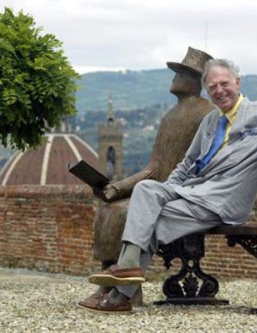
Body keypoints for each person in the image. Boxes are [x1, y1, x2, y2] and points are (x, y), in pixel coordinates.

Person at [81, 58, 257, 313]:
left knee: (146, 218)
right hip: (194, 194)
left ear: (237, 83)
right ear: (207, 90)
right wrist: (169, 191)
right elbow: (186, 164)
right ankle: (123, 285)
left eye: (224, 83)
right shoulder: (210, 122)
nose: (219, 90)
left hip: (223, 200)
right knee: (147, 192)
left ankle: (119, 292)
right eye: (212, 86)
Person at [79, 47, 215, 308]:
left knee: (120, 214)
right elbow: (154, 168)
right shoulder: (169, 117)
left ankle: (124, 292)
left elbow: (202, 164)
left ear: (196, 80)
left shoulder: (206, 114)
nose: (174, 78)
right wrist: (116, 189)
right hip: (157, 188)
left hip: (179, 193)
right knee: (109, 209)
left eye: (181, 73)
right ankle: (108, 284)